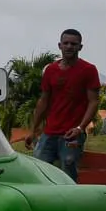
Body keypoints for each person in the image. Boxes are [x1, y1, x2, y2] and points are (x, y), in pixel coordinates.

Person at [27, 28, 101, 181]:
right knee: (40, 166)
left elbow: (93, 101)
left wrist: (80, 128)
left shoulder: (88, 70)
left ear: (80, 47)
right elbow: (44, 100)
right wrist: (33, 130)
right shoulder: (51, 70)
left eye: (73, 44)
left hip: (71, 134)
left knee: (68, 165)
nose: (69, 46)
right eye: (66, 43)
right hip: (50, 132)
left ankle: (71, 199)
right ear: (59, 45)